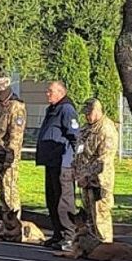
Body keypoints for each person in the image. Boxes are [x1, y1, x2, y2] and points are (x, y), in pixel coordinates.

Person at [35, 81, 79, 249]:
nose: (48, 94)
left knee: (64, 201)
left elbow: (74, 135)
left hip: (64, 163)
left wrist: (75, 160)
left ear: (61, 92)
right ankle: (58, 234)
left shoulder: (66, 109)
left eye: (51, 91)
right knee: (52, 199)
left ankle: (69, 235)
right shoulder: (52, 109)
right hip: (51, 162)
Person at [73, 98, 118, 242]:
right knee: (89, 215)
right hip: (84, 180)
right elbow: (80, 152)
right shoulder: (87, 128)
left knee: (100, 214)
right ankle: (92, 245)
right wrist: (75, 169)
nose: (86, 116)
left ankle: (104, 244)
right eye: (85, 113)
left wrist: (87, 176)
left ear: (97, 111)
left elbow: (104, 159)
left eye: (89, 113)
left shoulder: (106, 129)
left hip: (98, 181)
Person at [0, 77, 26, 218]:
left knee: (9, 190)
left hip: (8, 155)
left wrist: (10, 157)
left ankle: (14, 222)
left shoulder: (16, 107)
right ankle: (6, 222)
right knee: (1, 190)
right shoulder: (0, 106)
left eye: (1, 92)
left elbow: (16, 135)